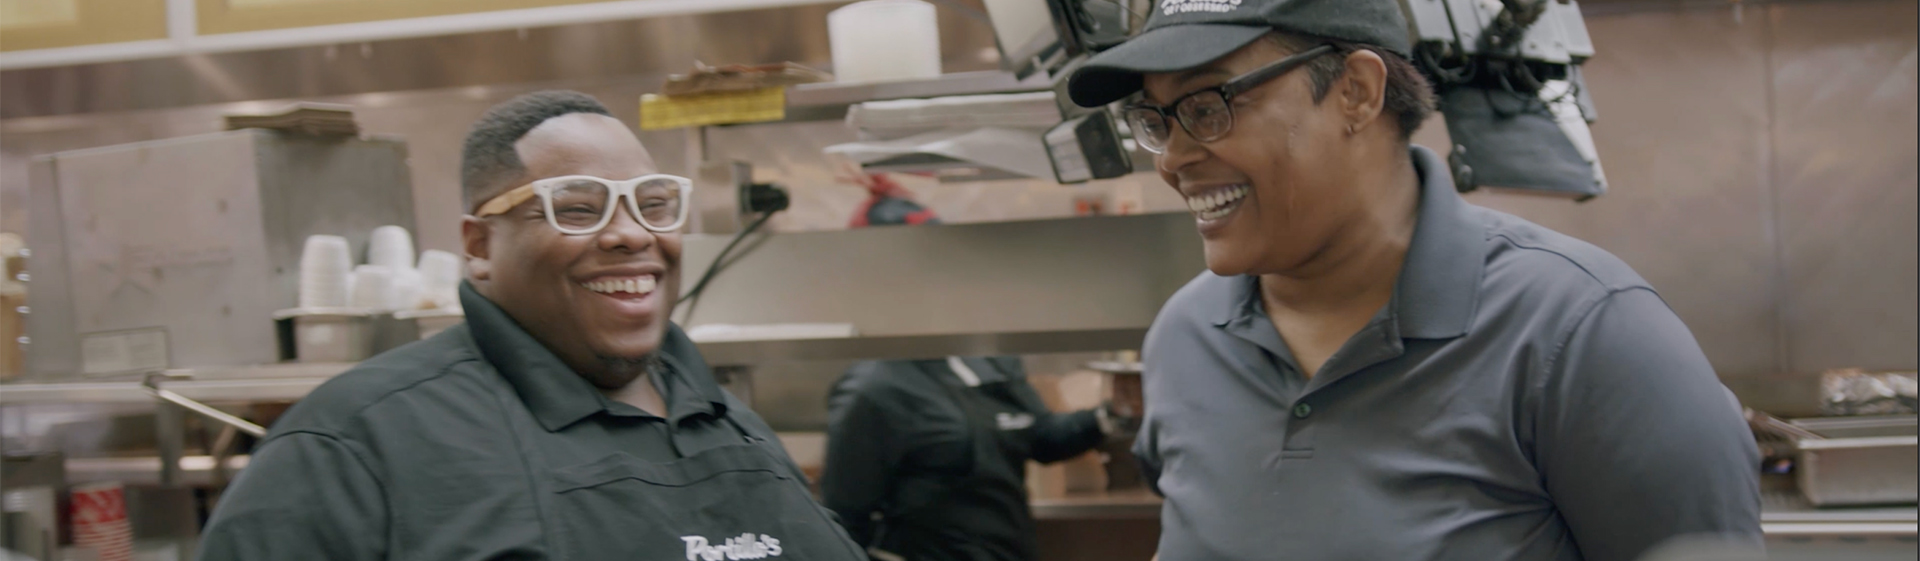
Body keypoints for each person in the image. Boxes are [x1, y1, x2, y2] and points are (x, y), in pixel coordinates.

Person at [1063, 1, 1764, 560]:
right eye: (1154, 120)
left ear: (1357, 93)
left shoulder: (1583, 334)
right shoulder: (1185, 338)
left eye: (1207, 106)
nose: (1174, 156)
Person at [197, 91, 866, 561]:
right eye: (578, 208)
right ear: (480, 246)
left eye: (654, 204)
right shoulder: (351, 444)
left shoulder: (733, 426)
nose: (631, 233)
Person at [819, 175, 1137, 561]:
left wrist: (1113, 411)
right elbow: (842, 522)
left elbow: (1040, 437)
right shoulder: (872, 391)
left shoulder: (985, 356)